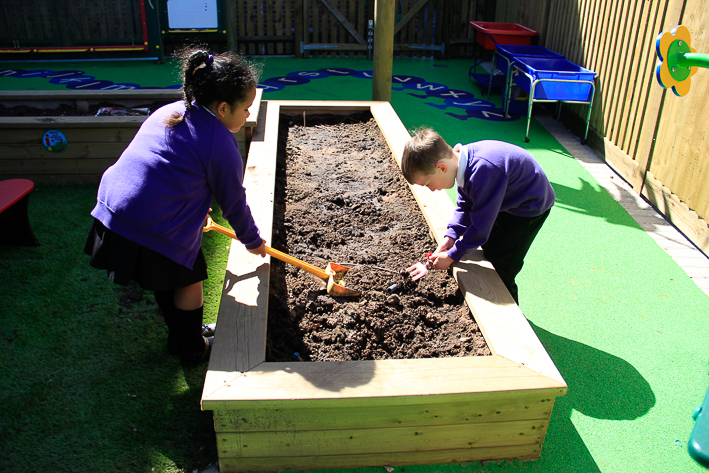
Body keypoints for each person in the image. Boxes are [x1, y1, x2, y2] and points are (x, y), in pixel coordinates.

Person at [84, 47, 266, 364]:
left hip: (114, 207)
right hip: (150, 222)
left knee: (165, 277)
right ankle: (194, 349)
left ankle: (180, 338)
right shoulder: (220, 143)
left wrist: (190, 204)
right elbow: (233, 202)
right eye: (247, 108)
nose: (249, 115)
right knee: (188, 280)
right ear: (223, 108)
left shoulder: (170, 111)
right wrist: (252, 240)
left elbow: (162, 168)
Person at [401, 128, 555, 305]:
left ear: (441, 167)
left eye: (428, 183)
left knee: (502, 261)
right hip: (507, 197)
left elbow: (481, 228)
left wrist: (452, 255)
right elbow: (466, 204)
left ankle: (511, 313)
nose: (432, 189)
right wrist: (451, 236)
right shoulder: (461, 163)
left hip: (529, 207)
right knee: (489, 247)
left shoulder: (483, 170)